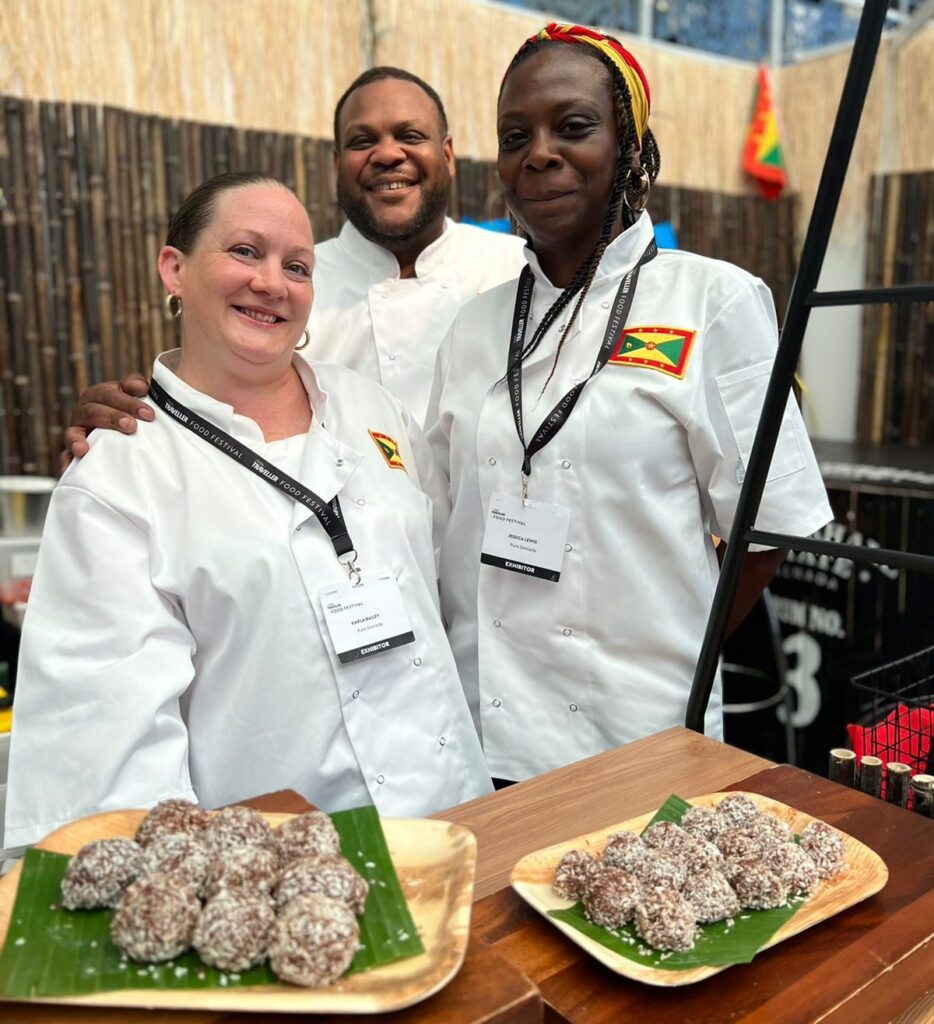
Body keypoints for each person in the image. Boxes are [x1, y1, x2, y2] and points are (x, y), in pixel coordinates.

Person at [3, 173, 492, 850]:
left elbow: (445, 589)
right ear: (174, 269)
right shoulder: (120, 476)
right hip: (287, 875)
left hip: (459, 822)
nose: (273, 282)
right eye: (244, 252)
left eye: (297, 266)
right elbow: (110, 754)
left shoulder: (376, 413)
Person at [425, 24, 833, 783]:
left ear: (632, 148)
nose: (539, 152)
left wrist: (675, 652)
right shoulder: (473, 326)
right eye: (516, 136)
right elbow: (437, 519)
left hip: (638, 737)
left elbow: (769, 529)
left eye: (573, 127)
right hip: (479, 731)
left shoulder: (714, 302)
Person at [62, 68, 526, 450]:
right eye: (362, 142)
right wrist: (125, 432)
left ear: (447, 155)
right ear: (336, 163)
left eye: (410, 135)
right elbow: (205, 410)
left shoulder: (519, 269)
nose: (387, 154)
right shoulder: (283, 294)